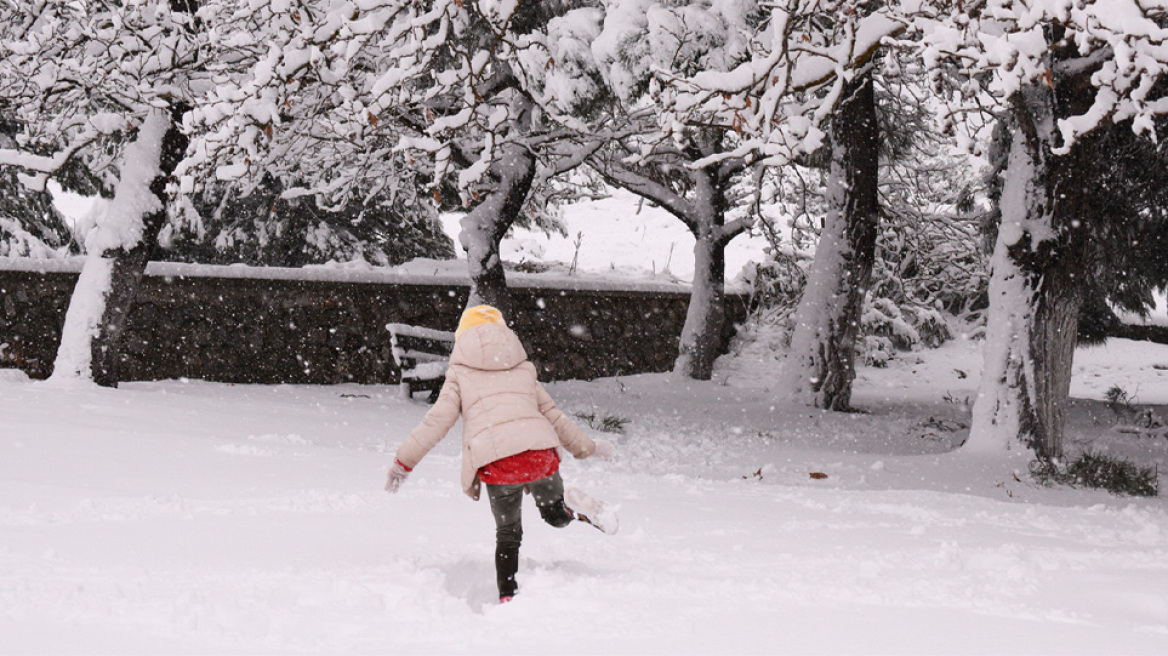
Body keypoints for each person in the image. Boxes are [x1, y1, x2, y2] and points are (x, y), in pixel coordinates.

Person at [385, 304, 617, 603]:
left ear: (463, 335)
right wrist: (588, 448)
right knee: (554, 516)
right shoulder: (523, 369)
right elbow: (554, 416)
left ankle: (508, 596)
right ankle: (571, 510)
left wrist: (404, 462)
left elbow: (436, 422)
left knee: (508, 534)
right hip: (540, 454)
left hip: (498, 461)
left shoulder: (460, 372)